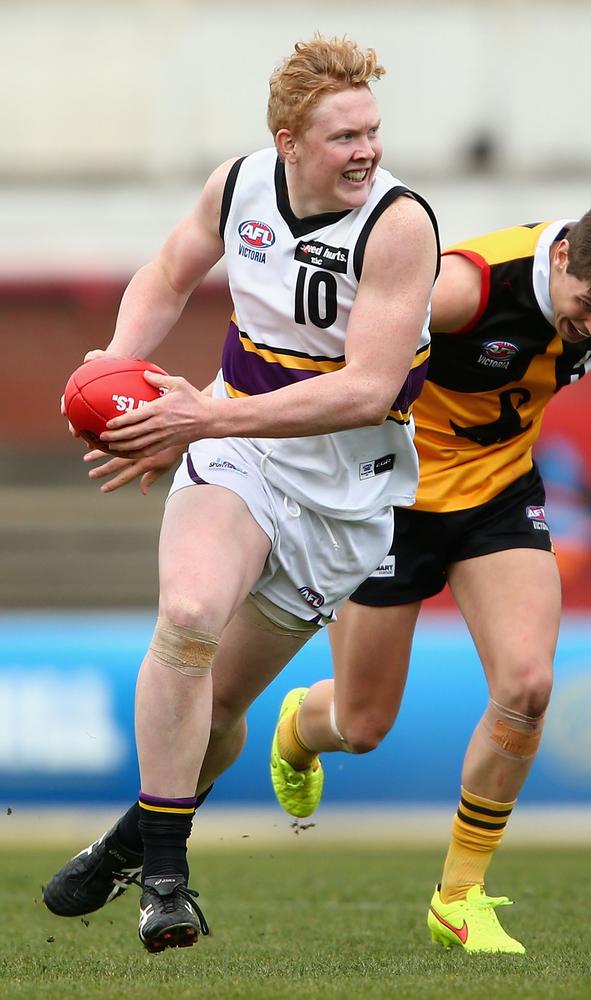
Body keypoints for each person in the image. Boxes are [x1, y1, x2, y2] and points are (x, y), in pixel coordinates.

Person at [42, 35, 439, 953]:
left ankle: (128, 841)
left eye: (373, 131)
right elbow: (171, 272)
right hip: (238, 450)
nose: (368, 151)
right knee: (187, 616)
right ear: (288, 142)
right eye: (345, 136)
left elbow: (367, 390)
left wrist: (198, 422)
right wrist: (115, 359)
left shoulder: (399, 224)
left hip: (343, 496)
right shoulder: (239, 186)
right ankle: (168, 884)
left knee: (218, 707)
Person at [268, 198, 591, 955]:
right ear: (563, 256)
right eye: (589, 310)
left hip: (499, 499)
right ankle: (300, 727)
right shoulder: (464, 288)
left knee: (528, 685)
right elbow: (338, 339)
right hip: (392, 502)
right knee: (363, 725)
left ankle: (460, 895)